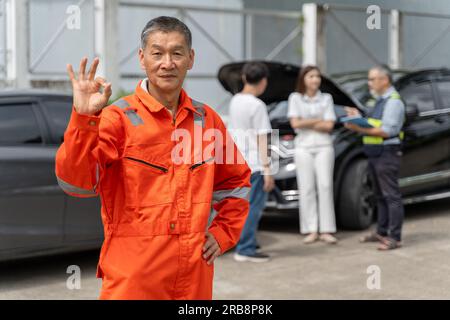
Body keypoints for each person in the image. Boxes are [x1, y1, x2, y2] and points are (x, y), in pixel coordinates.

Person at [55, 16, 251, 299]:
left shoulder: (207, 121)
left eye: (177, 53)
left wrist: (222, 234)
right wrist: (84, 120)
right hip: (134, 278)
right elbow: (77, 184)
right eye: (157, 53)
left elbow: (237, 182)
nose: (167, 63)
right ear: (142, 58)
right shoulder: (117, 119)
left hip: (194, 277)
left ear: (191, 58)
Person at [344, 65, 405, 251]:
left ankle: (394, 237)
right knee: (380, 196)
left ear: (384, 80)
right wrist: (359, 117)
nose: (369, 83)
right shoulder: (379, 101)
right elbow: (375, 122)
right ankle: (381, 231)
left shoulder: (393, 102)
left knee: (391, 196)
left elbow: (386, 131)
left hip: (386, 153)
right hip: (375, 153)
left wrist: (358, 128)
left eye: (372, 79)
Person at [227, 62, 275, 263]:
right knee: (253, 207)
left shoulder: (235, 100)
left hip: (237, 161)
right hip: (254, 163)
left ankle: (245, 242)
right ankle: (245, 249)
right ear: (263, 82)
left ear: (245, 78)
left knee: (240, 206)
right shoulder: (257, 105)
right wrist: (268, 169)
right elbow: (262, 138)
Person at [287, 65, 338, 245]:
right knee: (306, 188)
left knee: (325, 186)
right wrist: (319, 120)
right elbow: (295, 124)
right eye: (311, 76)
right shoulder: (295, 98)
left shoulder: (326, 98)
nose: (315, 80)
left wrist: (305, 122)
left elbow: (329, 126)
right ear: (304, 79)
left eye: (317, 76)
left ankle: (326, 229)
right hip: (303, 147)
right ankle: (311, 229)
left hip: (324, 146)